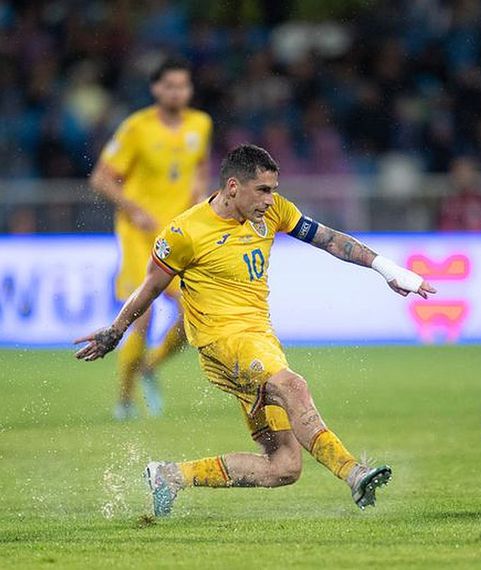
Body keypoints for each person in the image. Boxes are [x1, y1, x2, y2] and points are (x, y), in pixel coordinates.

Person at [75, 144, 436, 515]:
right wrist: (115, 331)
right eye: (263, 190)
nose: (271, 199)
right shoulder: (185, 232)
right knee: (293, 386)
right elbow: (150, 287)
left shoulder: (274, 212)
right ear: (233, 187)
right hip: (223, 344)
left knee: (284, 467)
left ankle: (169, 476)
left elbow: (329, 239)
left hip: (260, 341)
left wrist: (387, 269)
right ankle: (354, 473)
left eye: (274, 189)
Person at [90, 57, 213, 420]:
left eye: (184, 86)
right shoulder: (136, 128)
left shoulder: (200, 124)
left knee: (195, 312)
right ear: (156, 89)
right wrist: (133, 208)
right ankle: (125, 401)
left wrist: (199, 197)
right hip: (139, 235)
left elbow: (201, 168)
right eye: (170, 86)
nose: (178, 92)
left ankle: (151, 367)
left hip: (177, 234)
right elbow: (100, 178)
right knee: (139, 316)